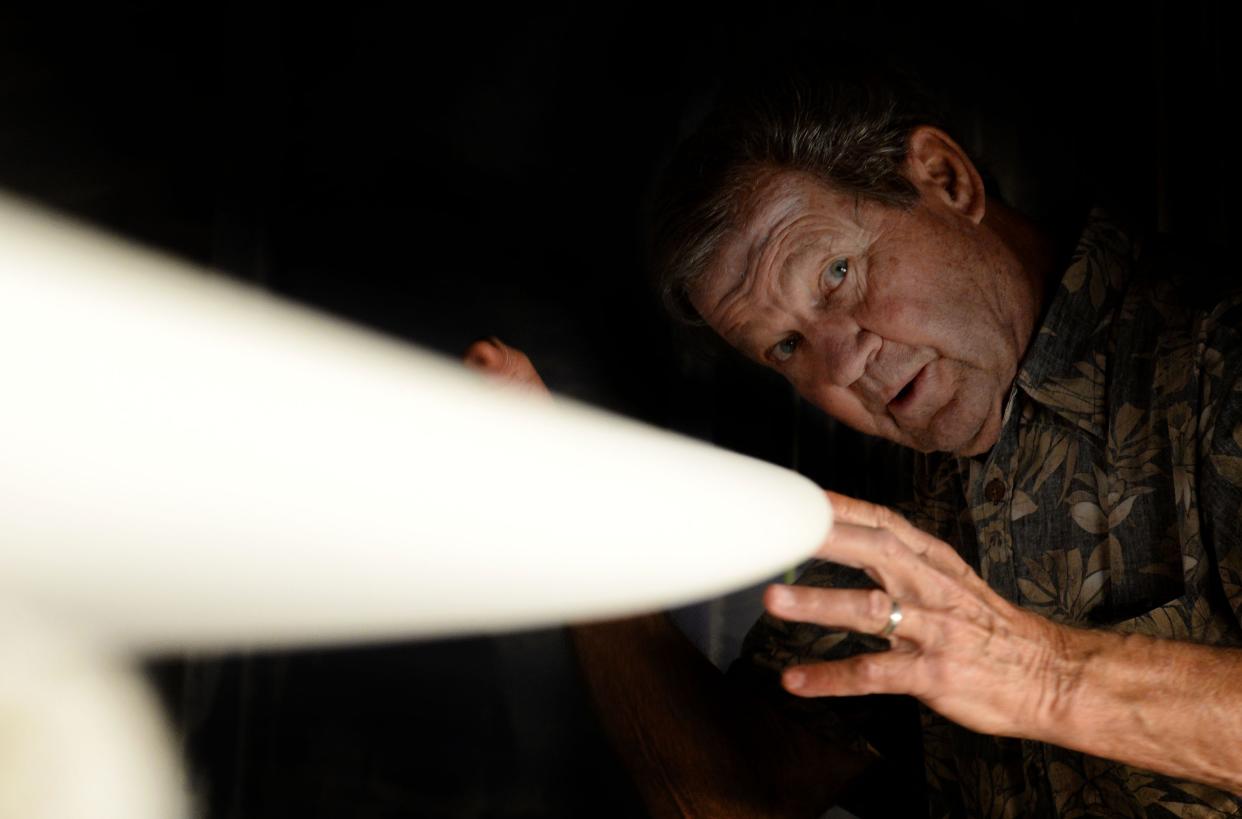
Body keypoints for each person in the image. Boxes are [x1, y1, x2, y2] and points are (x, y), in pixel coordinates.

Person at [467, 68, 1242, 818]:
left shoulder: (1216, 352)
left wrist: (1044, 677)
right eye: (786, 348)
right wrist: (564, 515)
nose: (840, 363)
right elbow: (730, 799)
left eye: (836, 273)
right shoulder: (886, 491)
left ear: (947, 180)